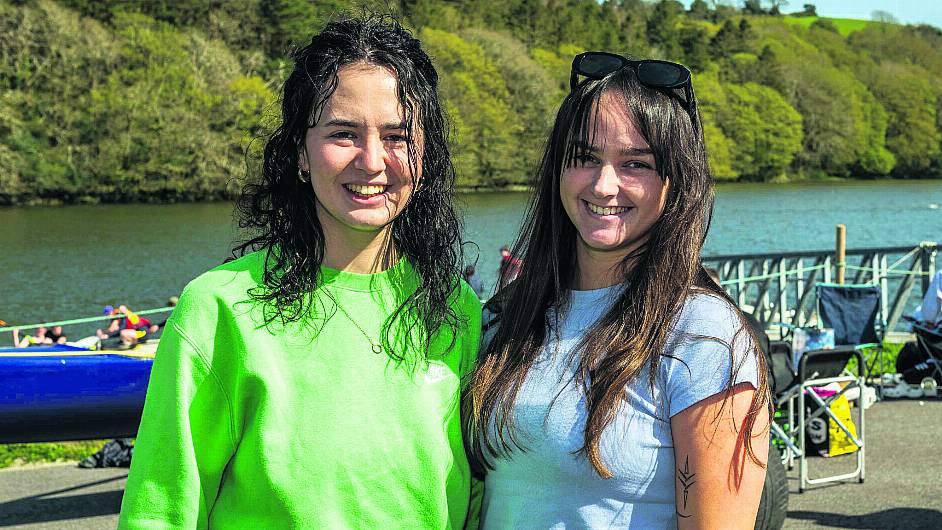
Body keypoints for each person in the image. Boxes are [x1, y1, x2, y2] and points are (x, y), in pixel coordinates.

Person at [119, 16, 480, 529]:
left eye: (398, 135)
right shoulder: (220, 309)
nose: (373, 161)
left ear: (426, 155)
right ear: (299, 154)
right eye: (343, 134)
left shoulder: (453, 305)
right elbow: (161, 512)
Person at [465, 52, 771, 528]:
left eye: (635, 164)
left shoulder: (704, 338)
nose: (605, 185)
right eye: (585, 158)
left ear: (677, 180)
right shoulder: (511, 315)